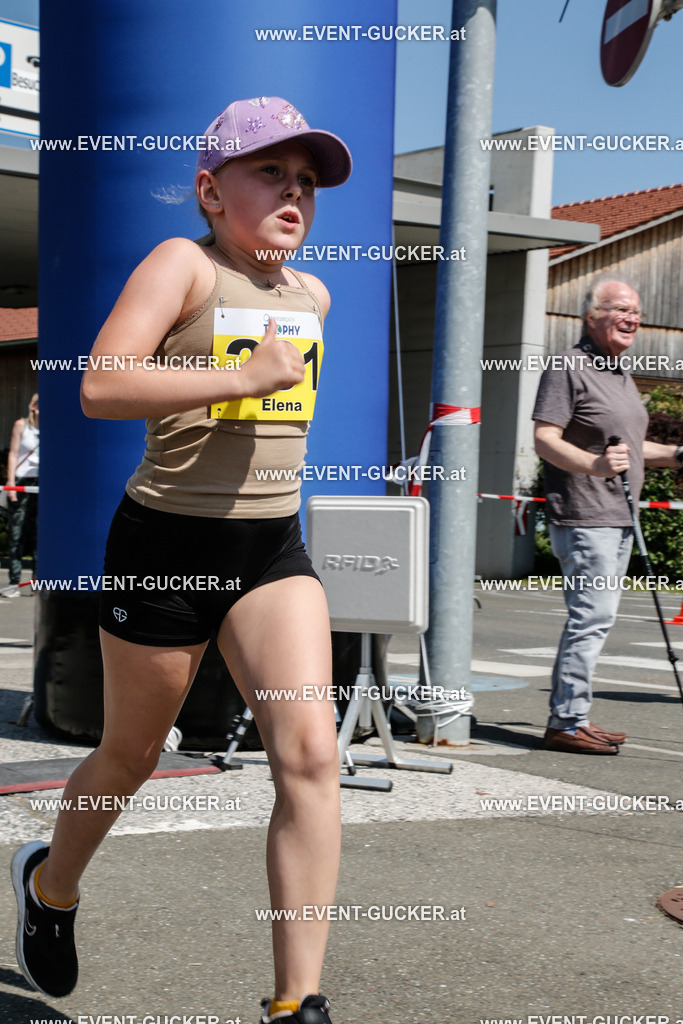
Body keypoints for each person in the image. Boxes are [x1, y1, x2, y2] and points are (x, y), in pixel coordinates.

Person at [11, 96, 352, 1024]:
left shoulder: (312, 295)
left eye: (307, 181)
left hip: (270, 549)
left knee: (312, 756)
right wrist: (237, 376)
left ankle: (297, 1003)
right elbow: (100, 384)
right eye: (270, 173)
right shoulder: (183, 266)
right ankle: (51, 885)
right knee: (130, 754)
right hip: (166, 544)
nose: (294, 193)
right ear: (209, 190)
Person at [533, 274, 682, 755]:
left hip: (619, 517)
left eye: (635, 311)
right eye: (619, 308)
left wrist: (678, 454)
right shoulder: (568, 367)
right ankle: (566, 722)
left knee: (597, 619)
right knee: (590, 618)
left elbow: (632, 447)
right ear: (591, 316)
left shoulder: (618, 374)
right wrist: (595, 465)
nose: (631, 317)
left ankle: (576, 715)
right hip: (585, 515)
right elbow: (545, 438)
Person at [4, 393, 39, 591]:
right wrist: (10, 484)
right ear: (32, 406)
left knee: (39, 533)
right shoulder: (22, 425)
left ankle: (37, 582)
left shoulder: (50, 426)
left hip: (42, 482)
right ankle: (14, 581)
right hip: (22, 481)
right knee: (16, 533)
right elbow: (14, 453)